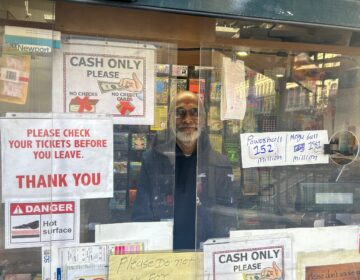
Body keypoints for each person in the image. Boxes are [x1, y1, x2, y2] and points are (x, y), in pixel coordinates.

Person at [132, 91, 236, 250]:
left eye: (195, 113)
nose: (187, 119)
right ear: (169, 118)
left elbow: (226, 221)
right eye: (180, 112)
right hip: (163, 253)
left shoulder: (220, 163)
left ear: (204, 119)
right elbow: (142, 217)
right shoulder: (152, 160)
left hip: (206, 254)